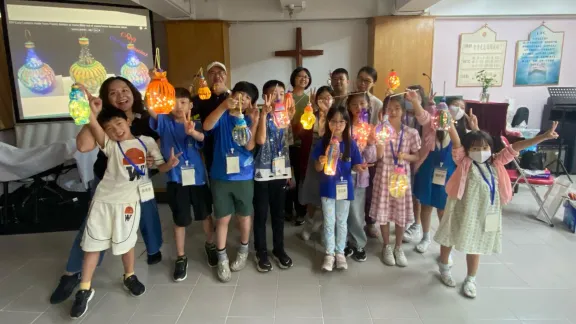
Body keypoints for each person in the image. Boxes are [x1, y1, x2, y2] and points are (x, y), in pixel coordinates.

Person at [50, 77, 163, 305]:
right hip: (109, 186)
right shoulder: (104, 120)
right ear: (105, 97)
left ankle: (148, 256)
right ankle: (73, 273)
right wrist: (91, 115)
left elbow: (157, 146)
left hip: (139, 183)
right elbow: (83, 146)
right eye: (113, 92)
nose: (121, 95)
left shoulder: (144, 120)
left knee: (143, 219)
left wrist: (153, 160)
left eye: (124, 89)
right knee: (91, 231)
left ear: (132, 91)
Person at [70, 98, 178, 319]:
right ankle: (84, 288)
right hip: (104, 202)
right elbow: (94, 125)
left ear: (128, 120)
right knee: (93, 244)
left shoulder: (146, 141)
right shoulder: (109, 145)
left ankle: (129, 276)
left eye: (118, 124)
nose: (115, 130)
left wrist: (171, 164)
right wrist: (92, 110)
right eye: (109, 129)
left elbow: (159, 167)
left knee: (127, 241)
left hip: (129, 203)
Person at [434, 113, 559, 298]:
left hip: (485, 211)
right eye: (475, 148)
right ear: (467, 150)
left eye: (485, 147)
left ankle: (470, 279)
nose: (481, 150)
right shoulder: (464, 160)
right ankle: (444, 267)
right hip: (460, 209)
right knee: (450, 236)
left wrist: (543, 137)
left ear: (491, 148)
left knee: (475, 244)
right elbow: (456, 140)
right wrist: (448, 124)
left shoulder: (495, 161)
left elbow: (515, 147)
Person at [148, 87, 216, 281]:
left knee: (205, 214)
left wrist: (193, 132)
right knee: (180, 219)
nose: (179, 106)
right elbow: (149, 106)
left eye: (183, 102)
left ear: (191, 105)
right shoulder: (164, 122)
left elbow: (203, 138)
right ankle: (180, 257)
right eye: (174, 102)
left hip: (198, 179)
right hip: (176, 179)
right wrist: (155, 83)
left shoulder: (196, 124)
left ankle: (210, 245)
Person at [203, 81, 260, 282]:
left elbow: (249, 145)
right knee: (222, 218)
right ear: (232, 95)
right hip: (220, 175)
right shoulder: (222, 115)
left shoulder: (250, 117)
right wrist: (223, 107)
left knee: (244, 216)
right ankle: (222, 257)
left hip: (243, 176)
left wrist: (251, 122)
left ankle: (243, 251)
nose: (242, 99)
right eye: (239, 94)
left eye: (247, 97)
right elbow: (206, 126)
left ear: (251, 102)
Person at [409, 90, 475, 255]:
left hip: (449, 173)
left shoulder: (462, 132)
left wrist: (474, 128)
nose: (457, 109)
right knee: (426, 205)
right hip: (427, 169)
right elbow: (422, 116)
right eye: (454, 105)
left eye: (461, 107)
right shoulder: (432, 124)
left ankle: (445, 243)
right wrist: (416, 102)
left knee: (443, 209)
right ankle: (425, 237)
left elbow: (471, 150)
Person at [369, 94, 421, 267]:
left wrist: (405, 156)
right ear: (384, 111)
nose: (392, 112)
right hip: (384, 176)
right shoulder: (380, 130)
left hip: (401, 178)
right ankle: (386, 246)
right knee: (384, 214)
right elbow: (379, 156)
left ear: (403, 111)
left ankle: (399, 247)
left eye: (396, 108)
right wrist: (381, 139)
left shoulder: (411, 133)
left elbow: (417, 155)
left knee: (400, 214)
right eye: (389, 109)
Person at [312, 105, 366, 272]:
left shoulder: (351, 144)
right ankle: (329, 254)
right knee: (329, 222)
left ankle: (340, 253)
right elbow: (317, 168)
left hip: (345, 188)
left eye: (341, 121)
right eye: (334, 121)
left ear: (347, 123)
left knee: (342, 222)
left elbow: (356, 164)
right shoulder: (323, 143)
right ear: (328, 123)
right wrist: (321, 162)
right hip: (328, 188)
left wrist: (359, 168)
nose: (337, 125)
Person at [253, 80, 295, 272]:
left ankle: (279, 249)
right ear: (265, 96)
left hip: (280, 171)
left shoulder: (284, 116)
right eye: (273, 92)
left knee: (278, 214)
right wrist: (263, 114)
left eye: (281, 92)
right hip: (262, 171)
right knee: (261, 214)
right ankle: (261, 252)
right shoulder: (256, 114)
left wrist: (289, 171)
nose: (278, 96)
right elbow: (260, 140)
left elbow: (287, 144)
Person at [345, 92, 377, 262]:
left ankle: (357, 243)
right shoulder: (343, 126)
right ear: (348, 108)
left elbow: (371, 158)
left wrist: (371, 143)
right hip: (342, 175)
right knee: (342, 211)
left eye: (362, 104)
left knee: (357, 211)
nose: (359, 108)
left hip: (360, 177)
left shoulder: (370, 128)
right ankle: (342, 242)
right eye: (354, 105)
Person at [300, 86, 333, 240]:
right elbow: (310, 133)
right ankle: (309, 223)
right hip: (314, 155)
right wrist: (314, 109)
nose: (325, 101)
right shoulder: (311, 115)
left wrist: (327, 113)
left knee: (327, 192)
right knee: (312, 189)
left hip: (332, 156)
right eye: (322, 98)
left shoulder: (336, 117)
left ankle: (323, 227)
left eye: (328, 98)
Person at [355, 66, 383, 239]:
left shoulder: (377, 103)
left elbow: (378, 127)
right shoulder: (348, 99)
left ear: (373, 83)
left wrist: (370, 140)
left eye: (367, 81)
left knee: (370, 188)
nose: (363, 83)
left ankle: (370, 221)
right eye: (361, 79)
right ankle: (354, 220)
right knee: (355, 187)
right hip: (353, 147)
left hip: (370, 149)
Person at [402, 84, 431, 244]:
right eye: (408, 96)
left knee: (417, 195)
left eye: (415, 97)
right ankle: (405, 220)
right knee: (405, 191)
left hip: (421, 159)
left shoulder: (426, 118)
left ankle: (416, 224)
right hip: (403, 159)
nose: (411, 100)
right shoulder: (402, 115)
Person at [192, 61, 231, 173]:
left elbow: (243, 109)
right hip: (210, 142)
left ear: (226, 75)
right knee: (213, 171)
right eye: (212, 73)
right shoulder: (200, 97)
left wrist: (226, 91)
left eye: (221, 72)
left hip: (231, 139)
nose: (217, 76)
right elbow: (189, 113)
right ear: (208, 77)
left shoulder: (233, 94)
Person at [285, 67, 312, 225]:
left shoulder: (310, 99)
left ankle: (301, 211)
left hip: (303, 145)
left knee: (302, 178)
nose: (304, 78)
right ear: (294, 78)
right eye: (300, 76)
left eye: (307, 77)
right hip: (287, 143)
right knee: (287, 178)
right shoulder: (287, 96)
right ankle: (287, 210)